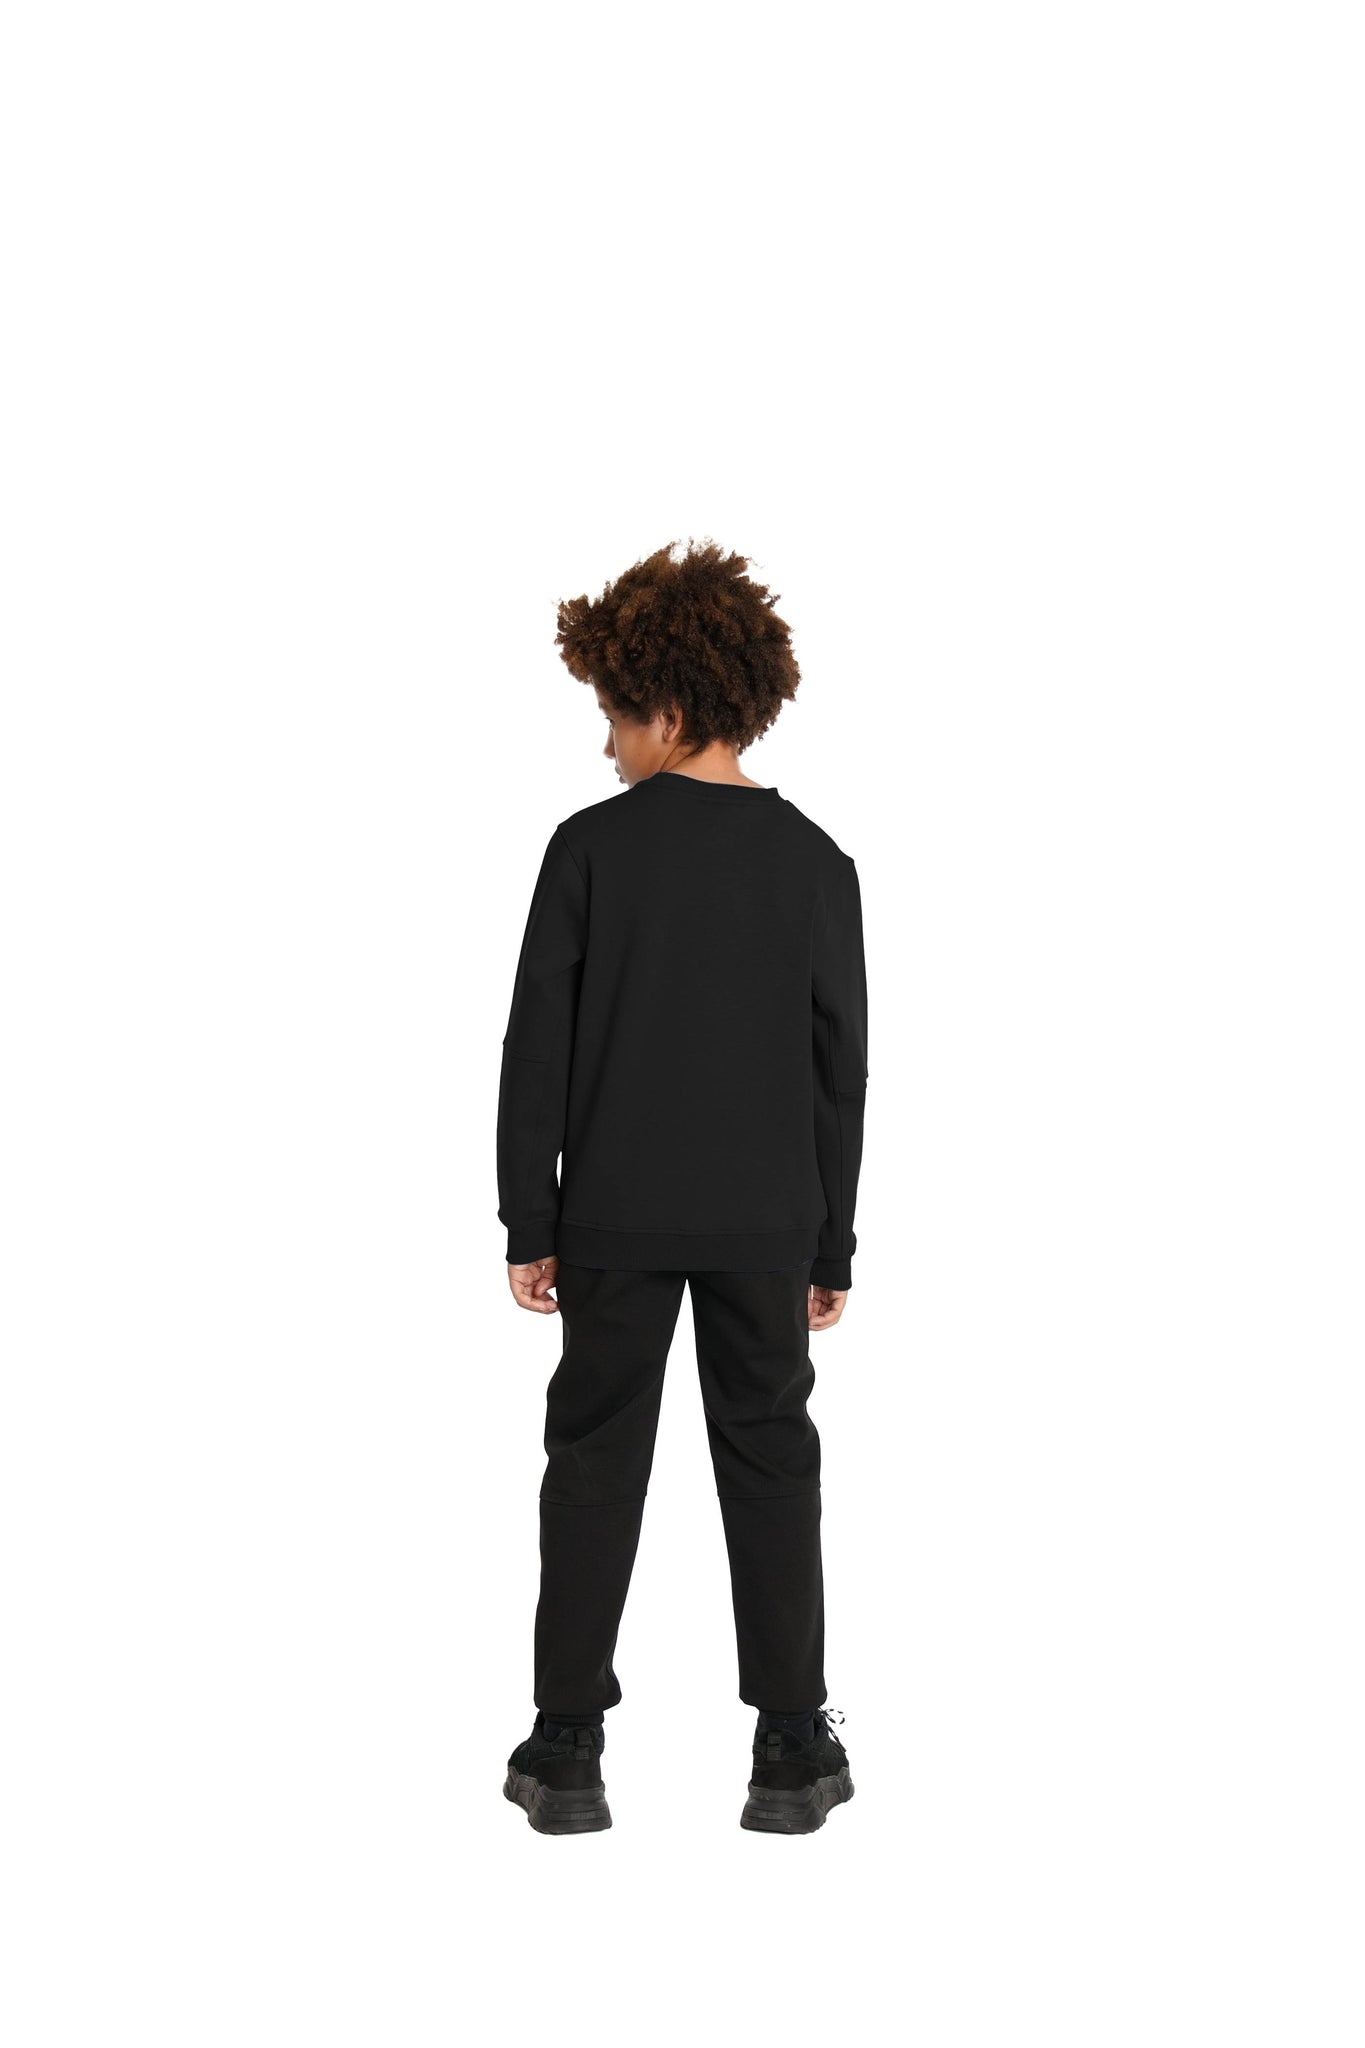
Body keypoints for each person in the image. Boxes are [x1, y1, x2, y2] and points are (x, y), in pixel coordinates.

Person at [497, 539, 868, 1835]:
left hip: (610, 1216)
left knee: (593, 1462)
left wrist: (529, 1219)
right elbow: (838, 1070)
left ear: (664, 706)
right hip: (767, 1222)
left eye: (613, 717)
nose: (606, 746)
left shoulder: (588, 850)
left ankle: (565, 1750)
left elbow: (536, 1047)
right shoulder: (816, 863)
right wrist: (832, 1242)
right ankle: (790, 1749)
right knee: (770, 1461)